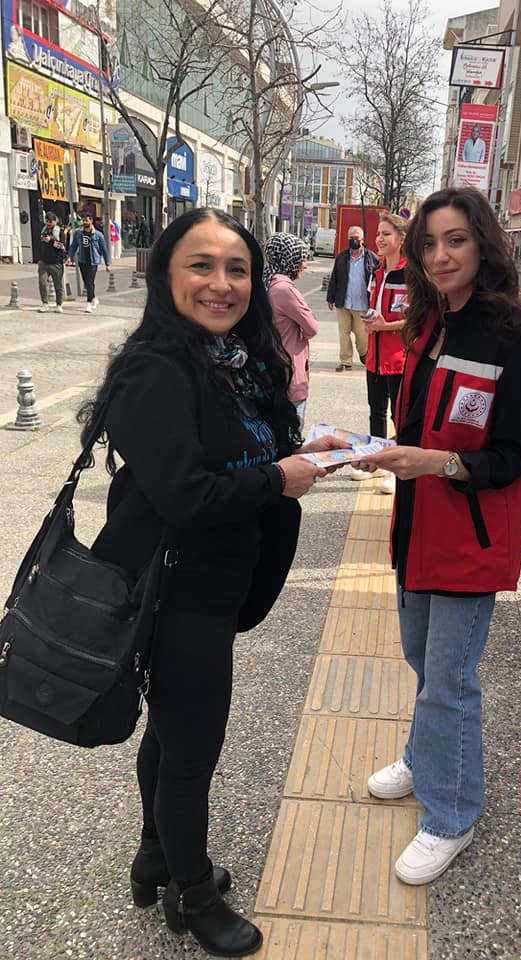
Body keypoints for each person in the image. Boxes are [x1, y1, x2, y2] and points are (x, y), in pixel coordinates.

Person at [76, 208, 348, 956]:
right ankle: (192, 896)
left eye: (237, 268)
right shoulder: (155, 369)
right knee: (192, 750)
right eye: (201, 265)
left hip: (215, 586)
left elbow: (244, 455)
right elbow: (187, 496)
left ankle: (154, 858)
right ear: (165, 274)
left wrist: (309, 452)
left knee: (171, 732)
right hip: (177, 592)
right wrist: (281, 478)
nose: (221, 283)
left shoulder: (231, 360)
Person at [358, 188, 521, 885]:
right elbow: (417, 426)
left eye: (456, 240)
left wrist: (435, 463)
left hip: (468, 535)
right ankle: (426, 755)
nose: (440, 255)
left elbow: (511, 458)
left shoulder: (514, 337)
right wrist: (375, 451)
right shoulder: (429, 320)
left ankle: (452, 812)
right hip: (416, 526)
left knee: (449, 678)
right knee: (422, 660)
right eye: (430, 243)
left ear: (483, 245)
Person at [359, 212, 409, 493]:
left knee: (399, 417)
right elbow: (374, 307)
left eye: (386, 234)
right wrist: (370, 321)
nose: (379, 239)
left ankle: (396, 468)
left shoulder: (411, 274)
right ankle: (376, 462)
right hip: (375, 357)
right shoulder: (376, 272)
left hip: (399, 359)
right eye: (378, 233)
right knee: (375, 412)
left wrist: (385, 326)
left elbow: (418, 320)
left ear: (401, 239)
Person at [264, 233, 319, 432]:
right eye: (301, 258)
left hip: (269, 369)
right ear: (288, 259)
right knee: (291, 434)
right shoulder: (284, 289)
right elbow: (312, 326)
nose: (305, 265)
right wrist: (301, 330)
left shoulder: (266, 281)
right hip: (288, 371)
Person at [326, 225, 379, 371]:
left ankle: (364, 354)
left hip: (362, 305)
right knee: (344, 333)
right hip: (343, 302)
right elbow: (334, 278)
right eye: (351, 238)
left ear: (362, 240)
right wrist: (330, 298)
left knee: (362, 335)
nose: (353, 240)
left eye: (356, 238)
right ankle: (346, 361)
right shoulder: (342, 257)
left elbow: (378, 280)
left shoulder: (371, 258)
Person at [67, 214, 111, 313]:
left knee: (90, 282)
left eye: (86, 220)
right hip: (82, 261)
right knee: (87, 283)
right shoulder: (78, 233)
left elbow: (104, 249)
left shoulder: (98, 234)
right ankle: (94, 298)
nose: (85, 222)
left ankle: (88, 304)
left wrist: (107, 264)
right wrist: (69, 257)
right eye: (83, 220)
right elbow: (73, 246)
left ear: (91, 221)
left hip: (93, 261)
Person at [37, 211, 65, 314]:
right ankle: (45, 303)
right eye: (47, 221)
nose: (48, 223)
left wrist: (51, 241)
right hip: (44, 262)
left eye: (50, 221)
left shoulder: (60, 231)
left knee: (58, 285)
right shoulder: (43, 230)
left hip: (56, 262)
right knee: (42, 283)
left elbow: (62, 246)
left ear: (55, 221)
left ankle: (59, 304)